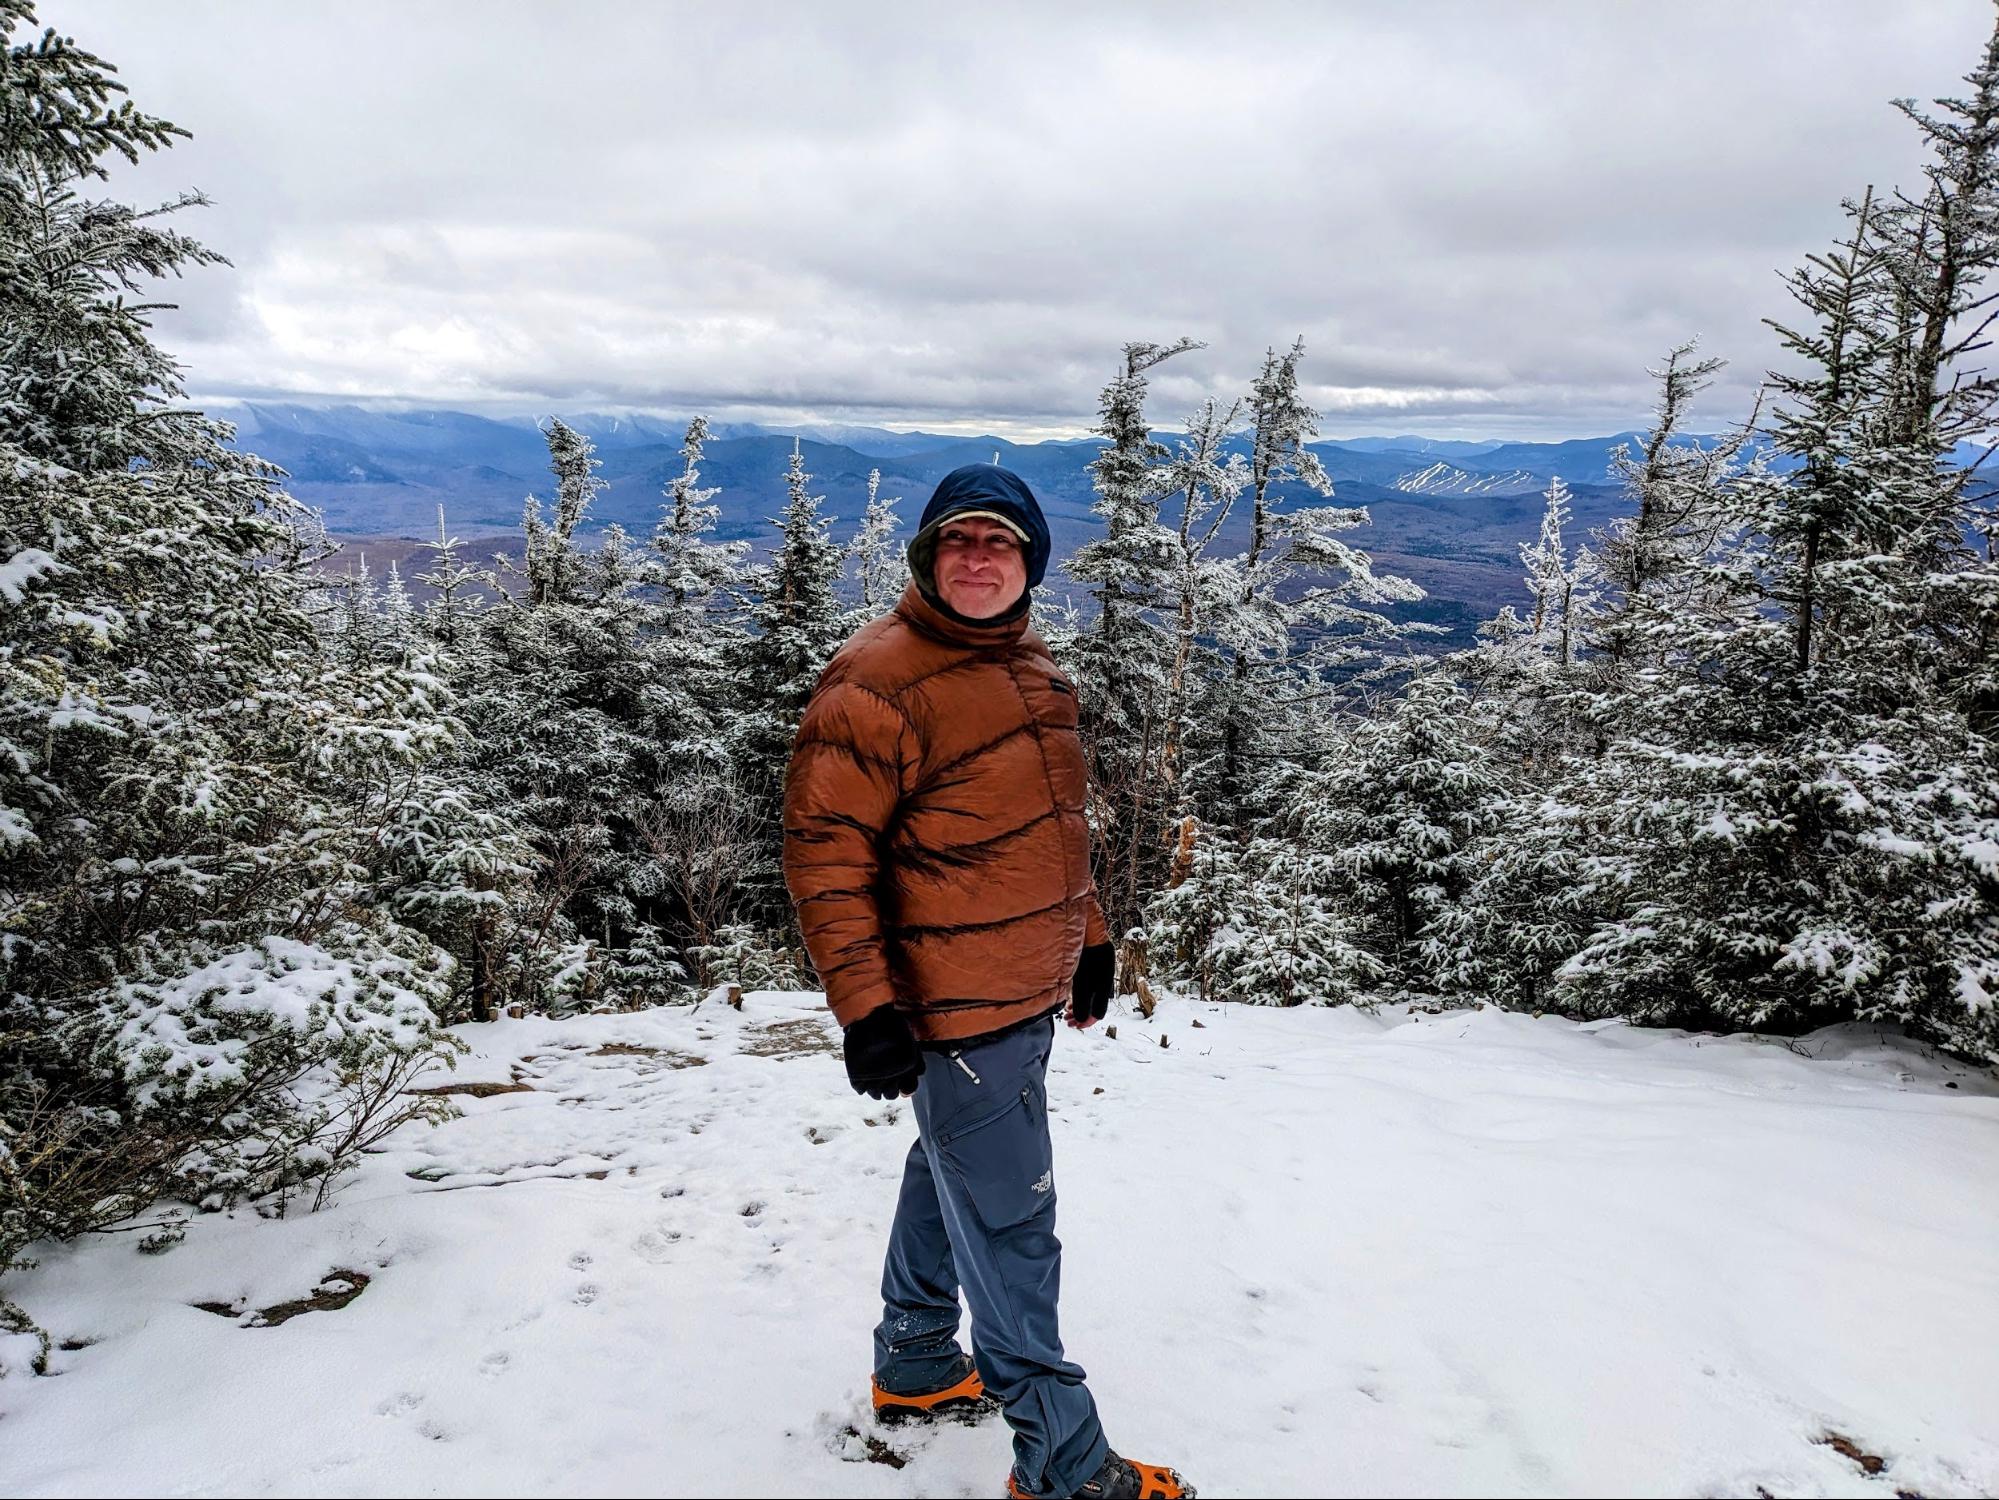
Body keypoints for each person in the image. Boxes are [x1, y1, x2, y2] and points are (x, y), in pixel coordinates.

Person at [782, 464, 1194, 1500]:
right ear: (927, 557)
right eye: (960, 540)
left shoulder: (1028, 669)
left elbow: (1048, 835)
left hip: (1017, 989)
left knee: (949, 1173)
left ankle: (919, 1361)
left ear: (1028, 565)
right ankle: (1062, 1464)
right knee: (1013, 1231)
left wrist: (1088, 939)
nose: (979, 557)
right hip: (950, 1005)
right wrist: (866, 1009)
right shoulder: (874, 682)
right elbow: (825, 858)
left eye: (999, 543)